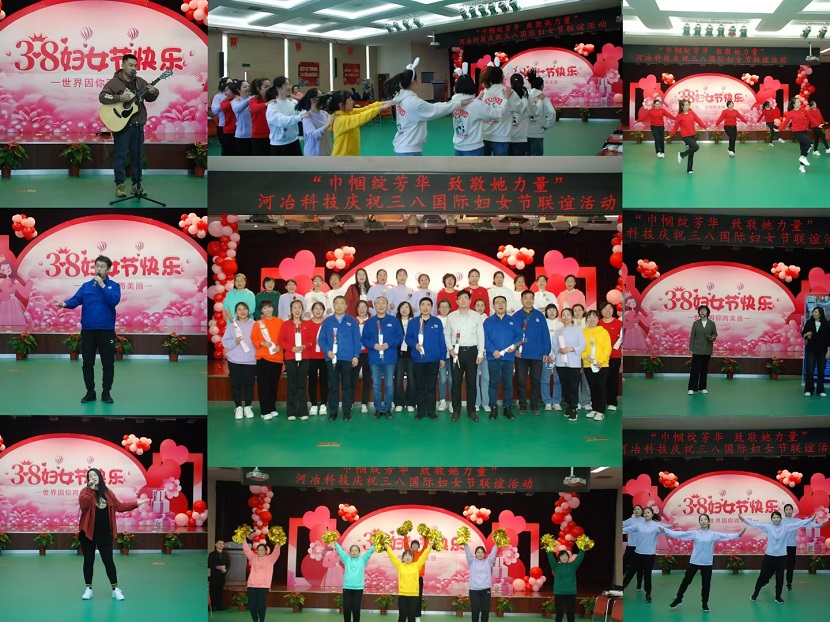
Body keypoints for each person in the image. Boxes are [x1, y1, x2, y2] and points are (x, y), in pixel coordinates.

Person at [55, 255, 121, 404]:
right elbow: (76, 299)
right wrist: (64, 304)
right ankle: (90, 392)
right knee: (87, 363)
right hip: (88, 331)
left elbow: (113, 301)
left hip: (106, 331)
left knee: (108, 363)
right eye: (97, 266)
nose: (99, 269)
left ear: (108, 269)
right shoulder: (86, 286)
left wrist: (102, 285)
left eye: (102, 266)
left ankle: (106, 393)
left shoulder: (114, 286)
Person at [78, 468, 146, 601]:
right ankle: (88, 589)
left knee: (108, 561)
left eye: (95, 475)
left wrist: (136, 503)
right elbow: (83, 506)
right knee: (88, 561)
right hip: (88, 533)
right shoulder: (85, 492)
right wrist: (90, 490)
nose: (93, 477)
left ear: (99, 477)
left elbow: (119, 506)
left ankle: (115, 589)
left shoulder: (108, 493)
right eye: (90, 476)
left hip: (105, 534)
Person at [99, 54, 159, 197]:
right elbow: (103, 96)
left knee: (137, 156)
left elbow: (150, 98)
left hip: (138, 125)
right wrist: (119, 98)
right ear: (123, 65)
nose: (133, 68)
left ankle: (136, 185)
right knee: (120, 156)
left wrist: (154, 92)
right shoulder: (114, 83)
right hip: (122, 126)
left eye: (135, 66)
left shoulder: (139, 83)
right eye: (131, 65)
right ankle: (120, 185)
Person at [660, 516, 744, 612]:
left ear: (708, 522)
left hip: (707, 563)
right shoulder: (695, 533)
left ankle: (705, 603)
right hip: (694, 561)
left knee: (706, 584)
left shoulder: (713, 534)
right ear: (699, 522)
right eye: (701, 520)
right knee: (686, 581)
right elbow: (681, 535)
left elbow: (726, 536)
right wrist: (666, 531)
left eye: (705, 519)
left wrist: (738, 535)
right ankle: (678, 598)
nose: (703, 521)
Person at [385, 58, 468, 155]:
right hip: (410, 151)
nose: (419, 81)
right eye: (417, 79)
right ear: (413, 82)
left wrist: (452, 103)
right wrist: (458, 103)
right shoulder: (413, 102)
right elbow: (436, 110)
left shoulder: (400, 98)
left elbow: (432, 106)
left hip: (401, 147)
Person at [741, 511, 825, 604]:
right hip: (769, 556)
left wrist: (811, 519)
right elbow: (755, 524)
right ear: (772, 519)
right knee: (763, 575)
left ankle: (778, 596)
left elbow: (799, 523)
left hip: (781, 557)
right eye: (774, 517)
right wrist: (744, 520)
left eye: (778, 517)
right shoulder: (768, 527)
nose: (776, 519)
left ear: (781, 518)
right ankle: (755, 593)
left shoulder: (786, 527)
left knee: (780, 577)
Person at [318, 296, 361, 421]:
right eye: (336, 303)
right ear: (333, 306)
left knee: (347, 386)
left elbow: (357, 340)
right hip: (331, 358)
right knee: (333, 386)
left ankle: (347, 412)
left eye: (342, 303)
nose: (339, 306)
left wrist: (356, 356)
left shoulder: (352, 321)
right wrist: (327, 351)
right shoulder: (327, 322)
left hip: (347, 358)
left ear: (346, 306)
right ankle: (333, 412)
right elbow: (321, 339)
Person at [445, 290, 485, 421]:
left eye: (465, 298)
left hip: (472, 352)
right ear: (456, 301)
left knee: (472, 383)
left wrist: (480, 353)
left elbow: (480, 335)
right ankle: (456, 410)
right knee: (455, 383)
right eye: (460, 298)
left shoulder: (476, 316)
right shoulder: (451, 316)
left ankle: (471, 410)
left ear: (470, 300)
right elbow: (447, 334)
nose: (463, 300)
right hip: (456, 353)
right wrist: (450, 349)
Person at [361, 296, 403, 419]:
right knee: (376, 385)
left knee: (389, 385)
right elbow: (364, 339)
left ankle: (388, 408)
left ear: (387, 305)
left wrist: (389, 344)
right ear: (374, 306)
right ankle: (378, 408)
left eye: (383, 303)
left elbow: (399, 337)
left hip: (389, 357)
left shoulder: (394, 321)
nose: (381, 305)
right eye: (378, 303)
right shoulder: (369, 322)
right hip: (374, 358)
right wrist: (373, 345)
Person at [512, 290, 551, 414]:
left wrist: (546, 352)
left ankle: (534, 405)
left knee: (536, 380)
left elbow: (545, 335)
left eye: (531, 298)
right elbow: (511, 335)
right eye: (526, 298)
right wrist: (515, 349)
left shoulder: (540, 316)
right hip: (521, 355)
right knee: (521, 380)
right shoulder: (516, 316)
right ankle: (522, 405)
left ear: (533, 300)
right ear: (521, 300)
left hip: (537, 354)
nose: (528, 300)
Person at [406, 297, 446, 420]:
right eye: (423, 304)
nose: (425, 307)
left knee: (432, 386)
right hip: (418, 359)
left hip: (433, 359)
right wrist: (415, 345)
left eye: (428, 304)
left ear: (431, 307)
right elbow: (408, 338)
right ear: (419, 307)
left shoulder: (437, 322)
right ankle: (421, 411)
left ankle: (431, 411)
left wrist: (442, 357)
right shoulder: (413, 322)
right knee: (420, 386)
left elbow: (441, 341)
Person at [484, 295, 522, 420]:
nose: (500, 304)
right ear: (493, 306)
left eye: (503, 302)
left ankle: (507, 408)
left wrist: (514, 346)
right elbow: (484, 338)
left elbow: (519, 336)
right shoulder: (488, 322)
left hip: (508, 358)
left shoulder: (513, 320)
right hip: (493, 357)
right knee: (493, 383)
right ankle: (493, 408)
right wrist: (492, 350)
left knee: (508, 384)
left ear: (506, 305)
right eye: (497, 302)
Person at [320, 91, 393, 156]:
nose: (353, 102)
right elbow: (360, 118)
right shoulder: (339, 120)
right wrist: (380, 108)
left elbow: (365, 109)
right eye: (350, 100)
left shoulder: (348, 112)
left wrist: (383, 103)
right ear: (341, 105)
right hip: (342, 158)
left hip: (351, 156)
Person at [622, 507, 670, 603]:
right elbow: (625, 529)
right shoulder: (638, 525)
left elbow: (667, 530)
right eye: (644, 513)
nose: (646, 514)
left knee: (647, 575)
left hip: (649, 555)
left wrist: (669, 528)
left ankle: (648, 594)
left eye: (648, 512)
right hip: (638, 554)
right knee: (630, 572)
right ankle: (622, 588)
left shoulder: (656, 525)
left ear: (652, 514)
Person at [278, 299, 315, 421]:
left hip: (304, 357)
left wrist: (304, 346)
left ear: (302, 309)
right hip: (290, 357)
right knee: (292, 384)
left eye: (299, 307)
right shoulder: (286, 324)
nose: (297, 310)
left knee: (302, 384)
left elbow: (311, 340)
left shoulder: (307, 324)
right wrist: (291, 348)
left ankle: (303, 410)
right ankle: (291, 411)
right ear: (291, 310)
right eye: (294, 308)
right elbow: (281, 341)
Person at [451, 74, 504, 156]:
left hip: (458, 147)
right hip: (473, 148)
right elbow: (497, 114)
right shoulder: (477, 105)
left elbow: (470, 106)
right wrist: (506, 99)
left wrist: (478, 98)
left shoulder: (453, 102)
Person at [222, 302, 257, 419]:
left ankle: (248, 406)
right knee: (236, 385)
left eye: (244, 309)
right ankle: (238, 407)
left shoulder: (255, 324)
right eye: (239, 309)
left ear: (248, 311)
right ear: (236, 312)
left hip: (251, 361)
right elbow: (225, 342)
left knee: (249, 385)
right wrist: (234, 342)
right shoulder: (232, 326)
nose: (242, 311)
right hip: (235, 361)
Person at [479, 63, 522, 156]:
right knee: (501, 164)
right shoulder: (509, 92)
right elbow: (521, 109)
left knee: (484, 163)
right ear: (502, 78)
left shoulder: (484, 92)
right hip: (501, 136)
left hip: (484, 135)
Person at [251, 300, 284, 420]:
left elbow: (284, 337)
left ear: (273, 308)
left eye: (269, 307)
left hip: (277, 358)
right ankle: (265, 411)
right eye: (265, 308)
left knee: (273, 385)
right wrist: (262, 343)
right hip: (263, 358)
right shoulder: (258, 324)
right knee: (263, 385)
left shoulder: (280, 322)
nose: (268, 310)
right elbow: (254, 338)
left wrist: (280, 346)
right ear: (261, 311)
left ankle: (272, 407)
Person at [385, 542, 434, 622]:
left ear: (412, 558)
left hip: (414, 596)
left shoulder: (417, 565)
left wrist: (430, 547)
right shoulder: (400, 565)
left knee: (411, 617)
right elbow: (392, 557)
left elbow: (424, 556)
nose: (407, 557)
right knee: (402, 617)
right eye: (405, 555)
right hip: (402, 595)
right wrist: (387, 547)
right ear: (403, 558)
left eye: (409, 555)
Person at [332, 541, 376, 622]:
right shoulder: (346, 559)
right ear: (350, 552)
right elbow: (340, 551)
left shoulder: (363, 559)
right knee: (347, 610)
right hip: (347, 588)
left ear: (359, 552)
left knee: (356, 610)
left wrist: (377, 543)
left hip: (358, 589)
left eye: (356, 550)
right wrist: (334, 542)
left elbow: (370, 551)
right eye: (352, 551)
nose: (354, 552)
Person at [554, 308, 585, 421]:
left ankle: (573, 408)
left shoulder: (578, 330)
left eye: (568, 315)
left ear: (572, 317)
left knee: (573, 386)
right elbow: (554, 345)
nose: (566, 317)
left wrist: (571, 349)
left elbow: (582, 345)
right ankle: (569, 405)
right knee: (564, 386)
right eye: (564, 315)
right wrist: (559, 350)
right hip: (561, 362)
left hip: (573, 362)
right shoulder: (558, 331)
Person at [266, 77, 309, 156]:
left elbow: (302, 112)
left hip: (294, 141)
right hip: (279, 145)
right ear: (278, 88)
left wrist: (305, 114)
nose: (289, 87)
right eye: (286, 84)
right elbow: (281, 121)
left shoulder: (293, 102)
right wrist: (299, 117)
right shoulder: (272, 105)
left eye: (289, 84)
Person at [581, 310, 611, 421]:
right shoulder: (583, 332)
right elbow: (580, 348)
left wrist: (601, 361)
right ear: (586, 320)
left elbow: (607, 348)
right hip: (588, 364)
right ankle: (594, 408)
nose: (592, 319)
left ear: (598, 319)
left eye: (594, 317)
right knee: (592, 387)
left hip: (601, 365)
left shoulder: (603, 332)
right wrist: (585, 356)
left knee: (601, 387)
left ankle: (601, 411)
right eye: (589, 317)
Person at [242, 537, 281, 622]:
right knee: (252, 605)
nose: (260, 551)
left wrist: (278, 542)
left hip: (263, 586)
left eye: (262, 550)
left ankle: (262, 620)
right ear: (256, 551)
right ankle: (255, 619)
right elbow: (246, 550)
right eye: (259, 550)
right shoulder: (253, 557)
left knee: (261, 606)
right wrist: (243, 539)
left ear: (266, 551)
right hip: (251, 585)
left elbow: (276, 552)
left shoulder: (270, 559)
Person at [547, 548, 585, 622]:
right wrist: (548, 547)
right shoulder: (555, 566)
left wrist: (582, 549)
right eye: (562, 556)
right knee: (559, 613)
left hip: (571, 593)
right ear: (559, 558)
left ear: (568, 557)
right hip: (559, 593)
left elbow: (580, 557)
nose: (564, 558)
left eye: (565, 556)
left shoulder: (573, 565)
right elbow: (550, 556)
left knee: (570, 613)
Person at [668, 99, 706, 174]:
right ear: (682, 107)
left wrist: (705, 127)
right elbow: (675, 127)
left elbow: (698, 120)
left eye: (688, 105)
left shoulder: (691, 113)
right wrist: (670, 135)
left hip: (693, 135)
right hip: (685, 136)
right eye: (686, 105)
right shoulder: (679, 116)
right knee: (696, 147)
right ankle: (681, 154)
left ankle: (689, 169)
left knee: (691, 152)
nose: (688, 106)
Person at [464, 543, 499, 622]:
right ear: (475, 554)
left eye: (482, 552)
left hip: (485, 590)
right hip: (474, 590)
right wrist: (465, 544)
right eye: (478, 552)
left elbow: (493, 553)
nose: (480, 554)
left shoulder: (488, 562)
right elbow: (467, 552)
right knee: (475, 610)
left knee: (485, 610)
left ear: (484, 554)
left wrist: (497, 544)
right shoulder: (471, 561)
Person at [778, 98, 813, 173]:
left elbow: (811, 118)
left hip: (804, 131)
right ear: (794, 104)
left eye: (799, 102)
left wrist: (817, 125)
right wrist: (779, 129)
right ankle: (803, 157)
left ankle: (801, 166)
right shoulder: (791, 113)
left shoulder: (804, 110)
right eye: (798, 102)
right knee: (810, 142)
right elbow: (785, 122)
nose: (800, 103)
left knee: (803, 149)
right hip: (797, 132)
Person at [598, 302, 622, 411]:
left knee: (613, 378)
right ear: (601, 311)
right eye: (605, 309)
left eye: (610, 308)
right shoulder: (598, 323)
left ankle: (612, 402)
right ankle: (601, 401)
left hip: (614, 356)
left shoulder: (619, 323)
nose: (607, 311)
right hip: (600, 357)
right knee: (601, 379)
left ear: (613, 310)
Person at [688, 305, 717, 395]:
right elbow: (692, 336)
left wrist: (713, 337)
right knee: (695, 369)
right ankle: (692, 388)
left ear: (707, 312)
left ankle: (702, 387)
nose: (702, 312)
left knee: (704, 369)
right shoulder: (696, 323)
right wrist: (691, 348)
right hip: (697, 349)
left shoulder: (711, 323)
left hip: (707, 349)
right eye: (701, 310)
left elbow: (715, 333)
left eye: (704, 310)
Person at [306, 301, 329, 416]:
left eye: (320, 309)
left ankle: (324, 404)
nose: (318, 311)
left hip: (325, 357)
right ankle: (314, 404)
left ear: (324, 311)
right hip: (311, 357)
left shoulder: (327, 323)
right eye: (316, 308)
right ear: (312, 310)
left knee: (324, 381)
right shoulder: (307, 324)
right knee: (312, 381)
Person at [526, 69, 556, 156]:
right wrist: (547, 125)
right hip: (537, 132)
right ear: (542, 86)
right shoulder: (543, 97)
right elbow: (552, 112)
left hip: (524, 132)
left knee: (525, 158)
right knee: (536, 158)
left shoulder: (526, 95)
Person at [801, 306, 830, 397]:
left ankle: (820, 390)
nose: (813, 313)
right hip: (811, 350)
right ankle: (809, 389)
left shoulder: (826, 324)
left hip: (822, 350)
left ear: (820, 314)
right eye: (813, 312)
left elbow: (829, 338)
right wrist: (806, 334)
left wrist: (828, 351)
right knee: (810, 370)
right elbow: (803, 334)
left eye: (816, 312)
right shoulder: (809, 323)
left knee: (821, 370)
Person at [296, 88, 333, 156]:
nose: (323, 100)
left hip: (327, 151)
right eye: (321, 98)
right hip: (314, 154)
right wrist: (328, 124)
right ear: (313, 100)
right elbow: (313, 135)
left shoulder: (325, 114)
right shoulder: (307, 117)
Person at [394, 301, 417, 412]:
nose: (404, 309)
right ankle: (399, 402)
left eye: (406, 307)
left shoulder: (415, 322)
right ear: (399, 309)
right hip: (399, 355)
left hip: (412, 355)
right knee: (398, 380)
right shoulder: (395, 322)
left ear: (410, 309)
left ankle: (410, 402)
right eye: (402, 307)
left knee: (412, 380)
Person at [352, 301, 373, 413]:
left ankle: (364, 403)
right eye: (359, 307)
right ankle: (350, 402)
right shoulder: (352, 321)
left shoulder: (371, 321)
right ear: (356, 309)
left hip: (368, 353)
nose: (361, 309)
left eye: (364, 307)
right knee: (352, 378)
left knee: (367, 379)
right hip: (354, 354)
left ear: (367, 309)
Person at [542, 304, 563, 411]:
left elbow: (562, 341)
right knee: (545, 379)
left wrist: (555, 354)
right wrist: (548, 354)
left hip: (559, 356)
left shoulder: (561, 325)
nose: (552, 312)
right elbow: (542, 340)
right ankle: (547, 401)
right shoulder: (543, 324)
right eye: (549, 310)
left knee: (557, 380)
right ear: (546, 312)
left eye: (554, 310)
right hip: (546, 356)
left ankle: (556, 401)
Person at [403, 535, 429, 621]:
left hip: (419, 578)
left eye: (416, 545)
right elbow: (406, 545)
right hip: (409, 579)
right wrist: (405, 535)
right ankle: (409, 614)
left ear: (418, 546)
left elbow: (425, 546)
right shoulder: (409, 554)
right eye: (413, 545)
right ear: (411, 546)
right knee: (408, 597)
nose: (414, 546)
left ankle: (417, 616)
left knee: (418, 597)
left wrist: (425, 536)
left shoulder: (421, 554)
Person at [782, 504, 807, 591]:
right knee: (778, 565)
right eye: (787, 509)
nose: (788, 511)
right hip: (782, 546)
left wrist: (819, 525)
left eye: (790, 509)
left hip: (792, 546)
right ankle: (768, 580)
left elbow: (807, 523)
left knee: (790, 565)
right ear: (784, 511)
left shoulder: (796, 521)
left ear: (792, 511)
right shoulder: (781, 520)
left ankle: (789, 582)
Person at [473, 299, 491, 414]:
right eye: (477, 305)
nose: (480, 308)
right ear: (474, 307)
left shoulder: (489, 320)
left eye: (482, 305)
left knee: (486, 378)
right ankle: (476, 403)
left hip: (486, 353)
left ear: (485, 307)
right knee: (474, 380)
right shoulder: (471, 319)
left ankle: (486, 403)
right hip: (474, 353)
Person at [436, 299, 454, 412]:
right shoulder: (436, 320)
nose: (444, 309)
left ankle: (452, 402)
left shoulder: (453, 318)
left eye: (446, 306)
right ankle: (442, 401)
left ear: (450, 308)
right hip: (440, 356)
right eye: (441, 306)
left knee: (452, 379)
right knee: (442, 378)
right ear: (438, 308)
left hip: (452, 354)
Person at [622, 506, 645, 591]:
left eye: (638, 509)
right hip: (630, 546)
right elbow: (621, 524)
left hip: (640, 546)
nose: (637, 511)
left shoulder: (644, 520)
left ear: (642, 511)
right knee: (624, 563)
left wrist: (669, 526)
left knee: (640, 567)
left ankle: (639, 584)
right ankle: (621, 584)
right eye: (635, 509)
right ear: (633, 511)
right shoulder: (630, 521)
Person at [507, 73, 531, 156]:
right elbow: (531, 112)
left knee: (507, 162)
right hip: (521, 136)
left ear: (511, 83)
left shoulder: (507, 96)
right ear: (523, 83)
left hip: (507, 136)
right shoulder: (527, 96)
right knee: (520, 161)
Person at [249, 78, 273, 156]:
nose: (268, 89)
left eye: (269, 86)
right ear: (258, 88)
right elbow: (254, 108)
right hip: (258, 135)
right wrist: (266, 104)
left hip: (271, 134)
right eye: (266, 87)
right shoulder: (254, 99)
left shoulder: (271, 99)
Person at [230, 80, 253, 155]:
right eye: (245, 87)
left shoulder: (254, 100)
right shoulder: (235, 101)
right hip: (242, 135)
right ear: (238, 90)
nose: (248, 88)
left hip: (254, 135)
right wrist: (250, 99)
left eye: (248, 86)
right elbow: (237, 109)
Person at [209, 539, 231, 611]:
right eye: (220, 543)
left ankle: (219, 605)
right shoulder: (212, 554)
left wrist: (225, 570)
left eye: (222, 544)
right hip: (214, 575)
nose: (221, 545)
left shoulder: (226, 554)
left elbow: (228, 564)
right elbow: (209, 564)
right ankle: (213, 605)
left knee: (220, 590)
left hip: (222, 576)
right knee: (213, 590)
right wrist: (218, 567)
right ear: (215, 545)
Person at [219, 81, 239, 156]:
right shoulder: (224, 102)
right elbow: (225, 108)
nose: (225, 93)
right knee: (228, 152)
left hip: (241, 131)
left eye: (227, 90)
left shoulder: (241, 100)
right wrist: (234, 100)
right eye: (225, 91)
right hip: (229, 131)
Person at [211, 77, 230, 155]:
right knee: (225, 146)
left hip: (233, 125)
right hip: (222, 124)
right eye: (229, 83)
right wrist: (224, 104)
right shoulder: (218, 97)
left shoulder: (235, 96)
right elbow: (214, 110)